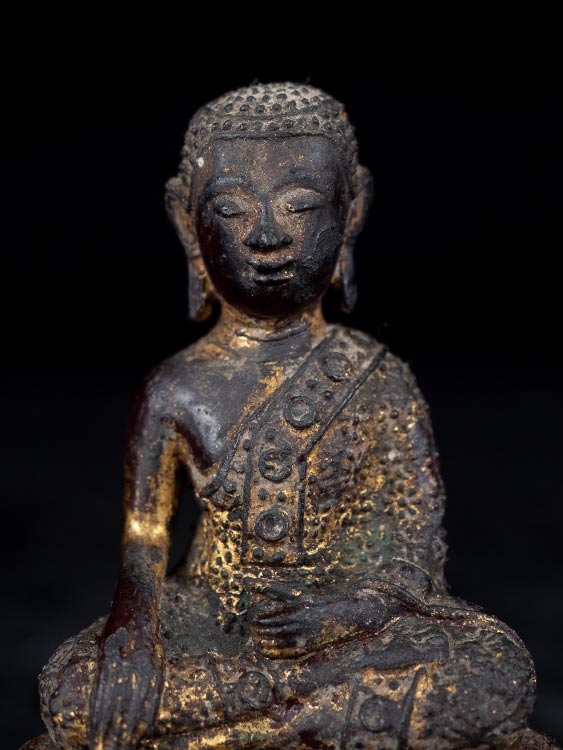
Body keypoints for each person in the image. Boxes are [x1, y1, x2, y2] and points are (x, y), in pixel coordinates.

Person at [34, 83, 537, 750]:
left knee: (494, 671)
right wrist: (133, 627)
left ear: (351, 211)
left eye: (299, 206)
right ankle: (312, 715)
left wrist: (346, 612)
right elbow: (144, 533)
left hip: (349, 625)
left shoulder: (379, 377)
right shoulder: (175, 387)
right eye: (232, 211)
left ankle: (249, 727)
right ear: (186, 221)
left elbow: (410, 542)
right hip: (213, 614)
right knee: (74, 688)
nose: (267, 236)